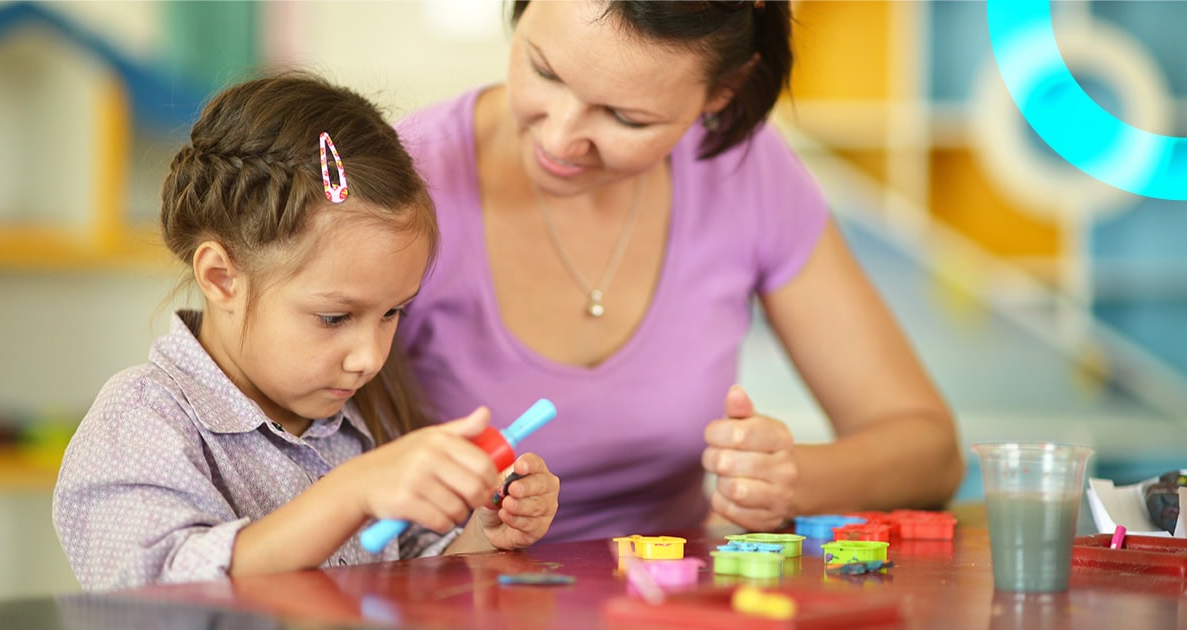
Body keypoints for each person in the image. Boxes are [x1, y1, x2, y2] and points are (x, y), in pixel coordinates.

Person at [394, 0, 963, 543]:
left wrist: (790, 479)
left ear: (721, 94)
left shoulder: (740, 167)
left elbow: (929, 452)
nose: (561, 137)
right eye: (544, 70)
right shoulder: (400, 189)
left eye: (626, 117)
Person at [52, 74, 560, 591]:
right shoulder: (142, 421)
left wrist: (483, 533)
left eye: (393, 314)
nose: (368, 357)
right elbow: (157, 594)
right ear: (222, 278)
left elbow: (415, 585)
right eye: (335, 318)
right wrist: (351, 494)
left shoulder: (354, 423)